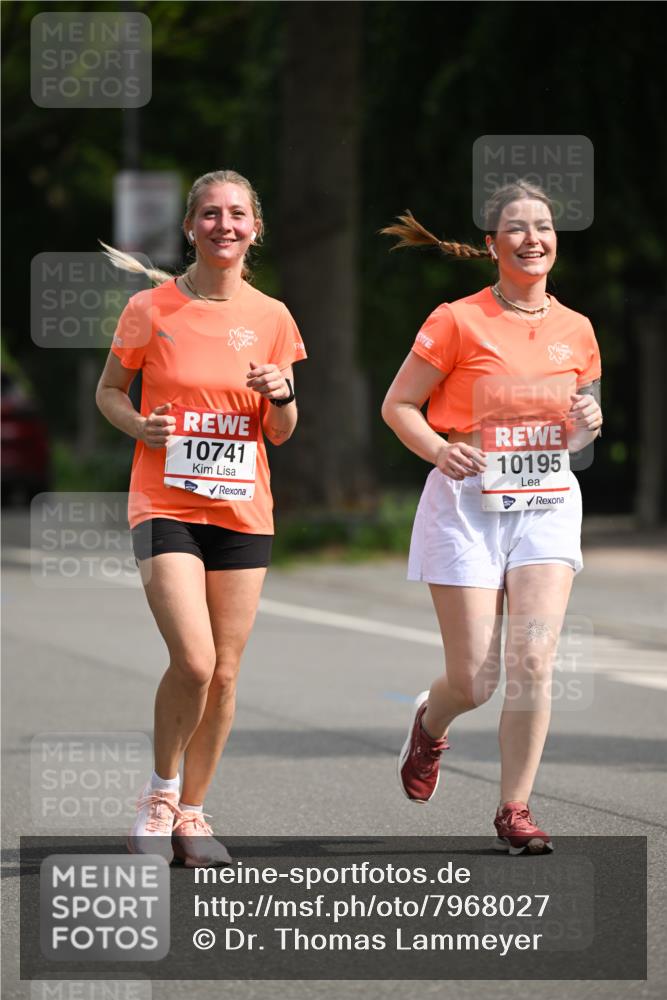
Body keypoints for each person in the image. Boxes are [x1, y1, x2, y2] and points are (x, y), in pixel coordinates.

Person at [380, 181, 602, 855]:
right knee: (475, 677)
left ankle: (514, 808)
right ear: (490, 244)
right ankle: (429, 722)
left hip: (547, 505)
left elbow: (577, 431)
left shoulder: (577, 329)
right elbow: (398, 406)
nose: (532, 238)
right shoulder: (456, 319)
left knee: (533, 660)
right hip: (465, 507)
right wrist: (439, 449)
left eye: (543, 226)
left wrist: (588, 424)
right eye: (516, 228)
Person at [96, 169, 306, 866]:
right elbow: (109, 392)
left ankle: (192, 813)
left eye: (237, 214)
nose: (224, 225)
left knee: (225, 673)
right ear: (190, 227)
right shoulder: (152, 310)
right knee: (194, 658)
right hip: (165, 503)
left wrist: (280, 395)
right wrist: (139, 426)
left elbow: (280, 432)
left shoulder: (273, 317)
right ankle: (158, 796)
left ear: (255, 228)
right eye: (210, 214)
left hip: (243, 510)